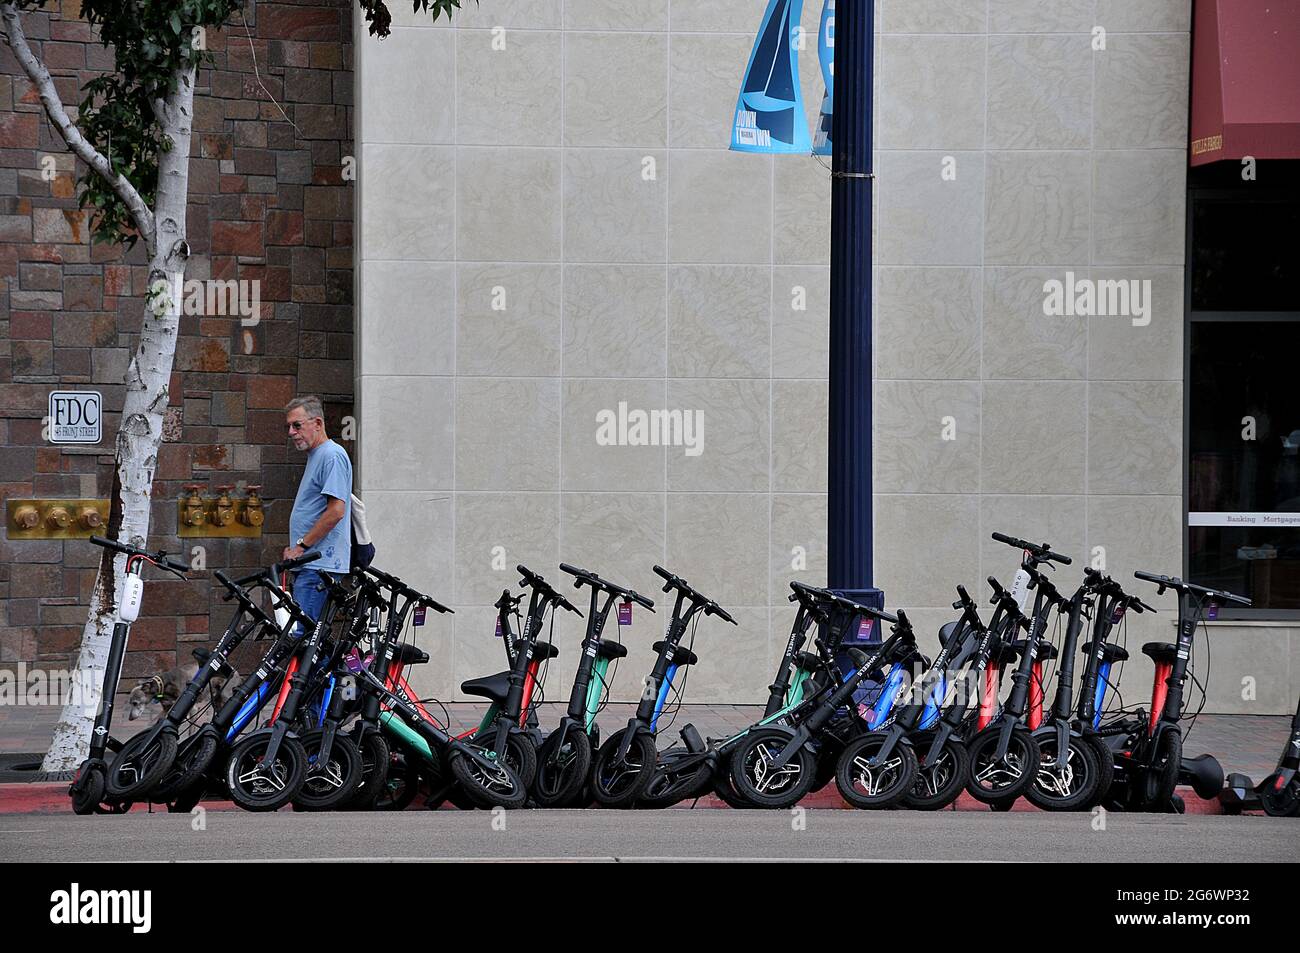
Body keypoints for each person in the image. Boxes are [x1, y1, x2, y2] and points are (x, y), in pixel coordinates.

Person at [283, 395, 352, 631]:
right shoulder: (319, 455)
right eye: (289, 426)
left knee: (302, 638)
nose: (291, 432)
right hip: (312, 564)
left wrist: (301, 547)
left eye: (297, 425)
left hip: (318, 566)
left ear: (318, 423)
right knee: (308, 638)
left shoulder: (331, 455)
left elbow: (336, 511)